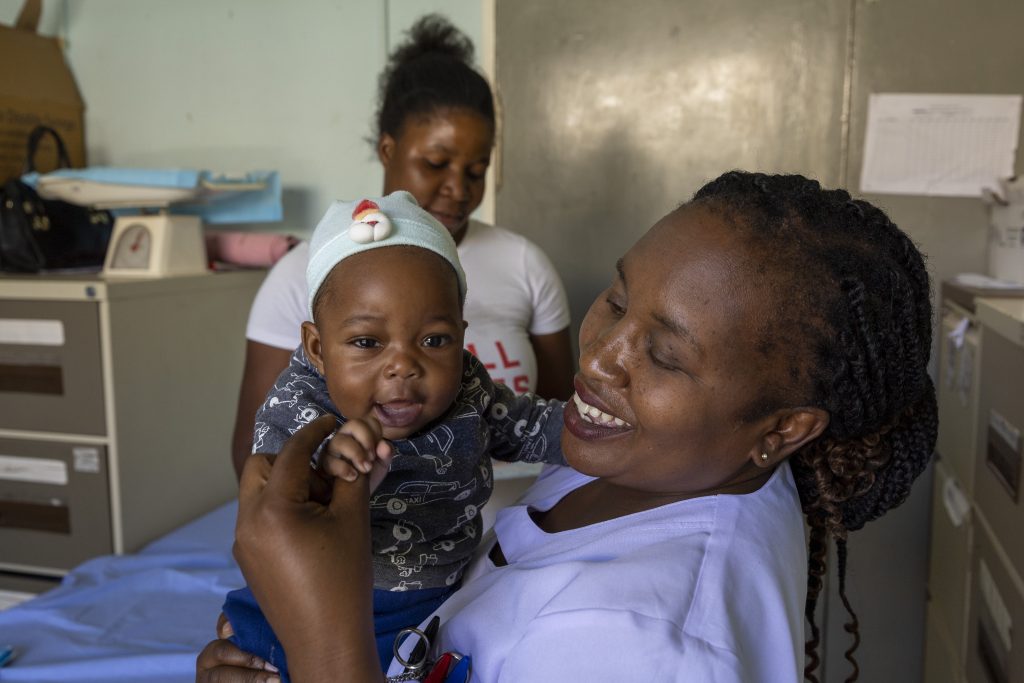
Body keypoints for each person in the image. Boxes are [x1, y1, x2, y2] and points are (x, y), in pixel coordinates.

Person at [198, 171, 937, 682]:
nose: (601, 357)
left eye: (666, 354)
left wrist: (322, 640)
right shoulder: (652, 462)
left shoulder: (641, 643)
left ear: (782, 429)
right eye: (617, 300)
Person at [222, 191, 565, 679]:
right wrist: (325, 468)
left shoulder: (467, 389)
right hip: (320, 605)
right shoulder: (300, 405)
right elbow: (274, 505)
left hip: (441, 593)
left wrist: (594, 430)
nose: (403, 365)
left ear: (462, 338)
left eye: (433, 340)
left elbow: (531, 426)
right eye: (366, 342)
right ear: (318, 348)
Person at [231, 16, 574, 478]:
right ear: (389, 150)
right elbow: (259, 458)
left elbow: (559, 427)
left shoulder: (525, 264)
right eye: (436, 163)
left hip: (511, 528)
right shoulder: (308, 274)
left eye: (476, 170)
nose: (459, 188)